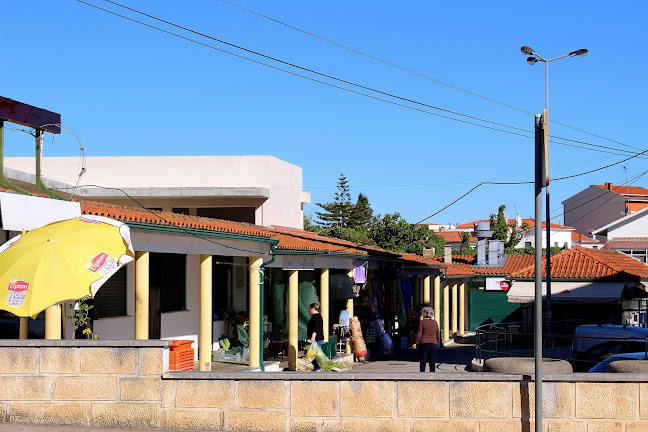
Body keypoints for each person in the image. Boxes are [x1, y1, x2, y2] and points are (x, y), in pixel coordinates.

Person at [412, 306, 440, 372]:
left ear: (423, 314)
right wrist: (437, 342)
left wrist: (415, 343)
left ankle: (422, 375)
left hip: (424, 344)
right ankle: (432, 375)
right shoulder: (435, 323)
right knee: (432, 361)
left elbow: (419, 334)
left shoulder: (422, 322)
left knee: (423, 360)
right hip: (433, 344)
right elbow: (438, 335)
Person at [306, 303, 324, 371]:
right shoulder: (316, 316)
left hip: (317, 339)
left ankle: (318, 366)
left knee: (312, 354)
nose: (309, 310)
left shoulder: (316, 317)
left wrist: (313, 337)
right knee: (314, 354)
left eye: (310, 308)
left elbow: (316, 328)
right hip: (317, 338)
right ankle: (318, 366)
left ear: (314, 309)